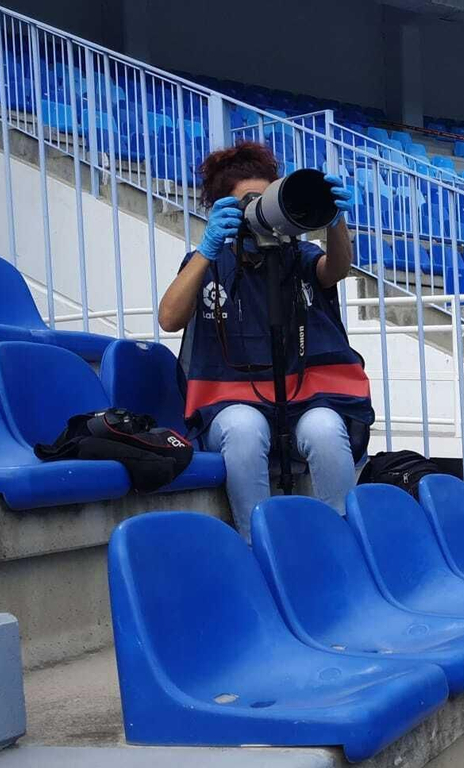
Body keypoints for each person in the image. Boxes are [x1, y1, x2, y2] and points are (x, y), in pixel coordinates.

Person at [157, 142, 373, 541]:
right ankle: (257, 547)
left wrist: (335, 222)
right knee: (243, 428)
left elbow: (335, 270)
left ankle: (343, 545)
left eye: (266, 196)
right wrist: (208, 249)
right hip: (229, 403)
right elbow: (169, 318)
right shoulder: (207, 260)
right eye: (247, 202)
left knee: (326, 428)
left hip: (303, 399)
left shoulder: (297, 255)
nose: (259, 209)